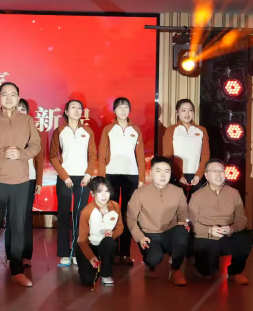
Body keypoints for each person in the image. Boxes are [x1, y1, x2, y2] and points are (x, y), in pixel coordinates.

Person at [0, 82, 41, 288]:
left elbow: (36, 145)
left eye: (13, 94)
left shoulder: (27, 120)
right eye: (4, 94)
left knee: (18, 227)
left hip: (21, 182)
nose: (9, 98)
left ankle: (17, 271)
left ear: (18, 97)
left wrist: (21, 154)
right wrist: (2, 153)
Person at [127, 156, 190, 286]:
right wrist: (140, 237)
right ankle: (151, 262)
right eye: (158, 171)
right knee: (154, 259)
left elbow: (183, 213)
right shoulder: (139, 193)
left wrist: (183, 221)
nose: (163, 175)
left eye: (167, 171)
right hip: (150, 236)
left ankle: (176, 269)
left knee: (182, 232)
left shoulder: (178, 191)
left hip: (169, 233)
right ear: (151, 172)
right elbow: (131, 219)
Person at [99, 97, 146, 265]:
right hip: (111, 175)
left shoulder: (135, 130)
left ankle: (125, 253)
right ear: (114, 111)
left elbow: (140, 156)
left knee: (128, 214)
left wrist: (141, 178)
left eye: (126, 107)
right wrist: (102, 179)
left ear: (130, 109)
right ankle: (111, 252)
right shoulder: (108, 129)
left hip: (131, 176)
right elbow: (101, 155)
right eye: (119, 107)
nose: (123, 110)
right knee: (111, 213)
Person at [189, 159, 251, 285]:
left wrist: (231, 228)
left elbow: (241, 220)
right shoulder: (197, 196)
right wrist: (210, 230)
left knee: (244, 239)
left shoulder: (234, 193)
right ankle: (200, 264)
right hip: (206, 236)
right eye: (214, 171)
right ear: (206, 175)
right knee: (207, 272)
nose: (218, 174)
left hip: (228, 234)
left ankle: (235, 272)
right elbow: (193, 223)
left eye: (221, 171)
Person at [50, 99, 96, 267]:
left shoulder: (87, 131)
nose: (77, 110)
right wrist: (65, 176)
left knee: (80, 217)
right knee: (63, 215)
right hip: (65, 178)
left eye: (79, 108)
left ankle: (77, 252)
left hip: (83, 179)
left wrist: (88, 174)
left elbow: (92, 155)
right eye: (73, 107)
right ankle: (64, 253)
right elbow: (53, 155)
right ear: (66, 112)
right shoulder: (60, 131)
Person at [4, 98, 43, 267]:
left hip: (29, 178)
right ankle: (11, 254)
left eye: (23, 109)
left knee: (26, 216)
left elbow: (39, 159)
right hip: (8, 178)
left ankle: (26, 254)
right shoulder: (4, 130)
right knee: (11, 215)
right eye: (17, 108)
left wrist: (39, 181)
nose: (20, 111)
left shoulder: (34, 132)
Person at [76, 176, 123, 286]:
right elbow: (82, 240)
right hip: (89, 245)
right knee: (88, 280)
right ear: (92, 193)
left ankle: (106, 274)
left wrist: (113, 234)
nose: (104, 195)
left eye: (107, 191)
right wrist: (91, 257)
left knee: (110, 243)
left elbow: (120, 228)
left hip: (104, 244)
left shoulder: (115, 206)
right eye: (99, 191)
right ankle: (91, 267)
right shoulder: (86, 211)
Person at [163, 99, 210, 198]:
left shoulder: (201, 130)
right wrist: (179, 176)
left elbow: (205, 155)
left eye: (190, 110)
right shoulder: (171, 130)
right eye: (183, 110)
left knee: (196, 204)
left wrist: (199, 175)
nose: (187, 113)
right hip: (176, 175)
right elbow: (167, 155)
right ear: (177, 112)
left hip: (196, 176)